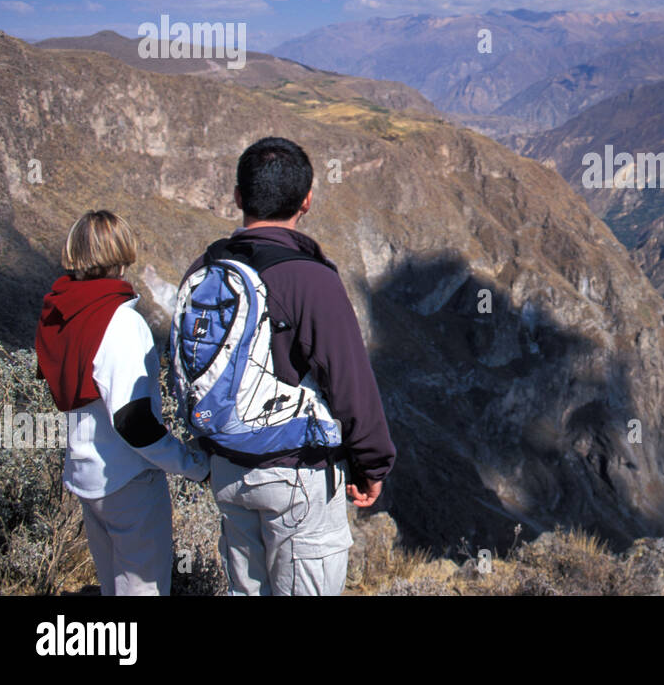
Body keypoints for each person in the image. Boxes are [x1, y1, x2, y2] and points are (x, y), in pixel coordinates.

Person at [176, 136, 395, 596]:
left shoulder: (207, 269)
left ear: (238, 197)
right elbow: (349, 379)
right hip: (296, 472)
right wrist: (371, 463)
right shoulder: (311, 278)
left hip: (228, 469)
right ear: (307, 200)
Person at [34, 210, 210, 596]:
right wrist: (194, 466)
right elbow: (133, 421)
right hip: (128, 479)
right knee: (141, 589)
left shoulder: (60, 312)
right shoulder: (119, 322)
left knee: (112, 586)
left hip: (86, 474)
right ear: (121, 251)